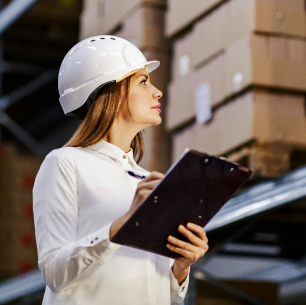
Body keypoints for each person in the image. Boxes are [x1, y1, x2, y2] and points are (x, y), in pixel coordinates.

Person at [33, 35, 209, 305]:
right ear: (110, 91)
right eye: (143, 81)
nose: (157, 91)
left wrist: (181, 267)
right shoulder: (65, 163)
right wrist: (120, 227)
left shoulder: (146, 181)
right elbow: (54, 272)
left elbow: (164, 296)